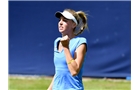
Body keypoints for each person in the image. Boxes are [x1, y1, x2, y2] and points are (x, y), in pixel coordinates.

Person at [47, 8, 88, 90]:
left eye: (65, 20)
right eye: (60, 20)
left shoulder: (80, 42)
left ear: (73, 25)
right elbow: (59, 72)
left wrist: (66, 47)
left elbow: (74, 71)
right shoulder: (57, 42)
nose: (60, 23)